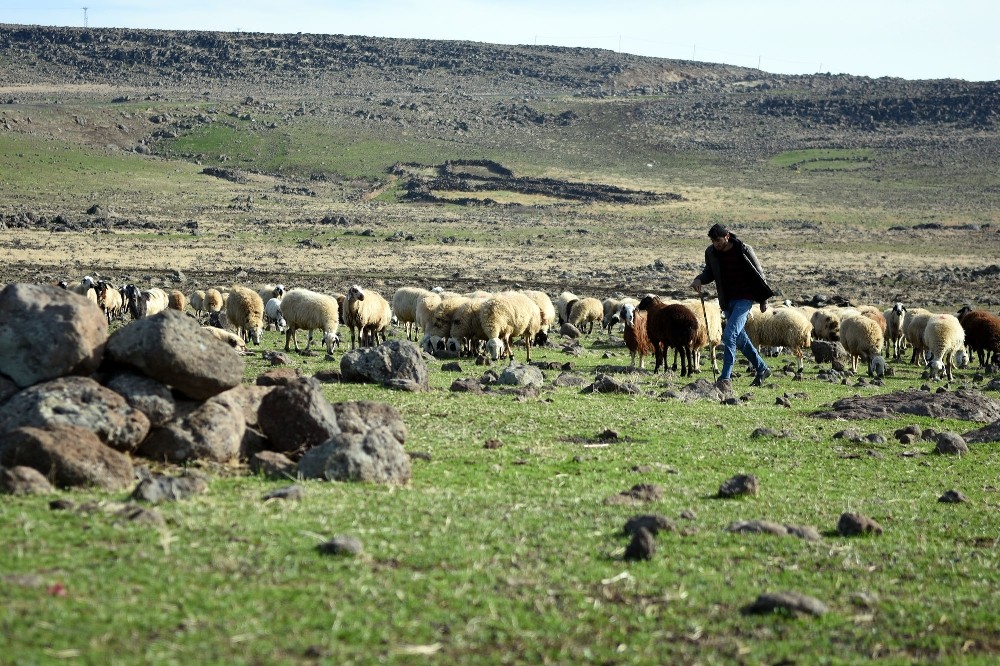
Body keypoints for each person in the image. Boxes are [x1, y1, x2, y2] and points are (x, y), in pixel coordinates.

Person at [690, 223, 774, 392]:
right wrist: (699, 279)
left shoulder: (744, 249)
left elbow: (759, 273)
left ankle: (725, 377)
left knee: (729, 334)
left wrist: (763, 299)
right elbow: (710, 272)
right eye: (713, 241)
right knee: (740, 339)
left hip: (745, 298)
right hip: (728, 301)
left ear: (727, 236)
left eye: (718, 240)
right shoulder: (711, 253)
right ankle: (762, 369)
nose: (716, 244)